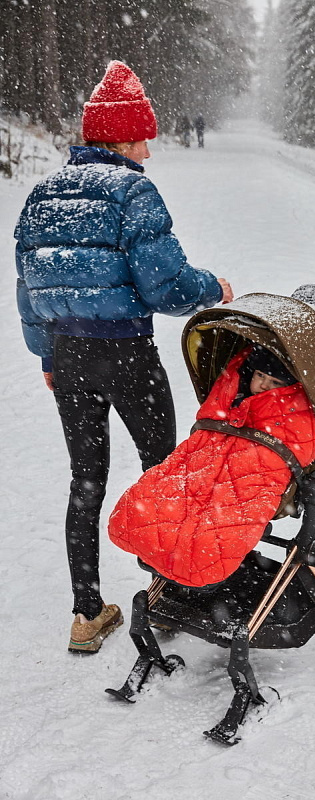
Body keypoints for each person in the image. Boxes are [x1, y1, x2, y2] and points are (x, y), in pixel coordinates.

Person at [15, 60, 234, 654]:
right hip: (127, 355)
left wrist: (47, 357)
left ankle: (87, 613)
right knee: (162, 469)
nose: (148, 152)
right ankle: (166, 594)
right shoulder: (133, 191)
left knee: (86, 480)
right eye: (142, 140)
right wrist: (213, 289)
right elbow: (166, 287)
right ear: (123, 139)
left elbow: (29, 290)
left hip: (70, 356)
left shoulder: (42, 195)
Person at [108, 344, 315, 588]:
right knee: (154, 504)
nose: (263, 385)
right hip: (204, 462)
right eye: (260, 375)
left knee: (213, 531)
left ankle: (185, 562)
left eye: (275, 382)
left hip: (253, 473)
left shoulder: (296, 415)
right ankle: (179, 561)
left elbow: (301, 443)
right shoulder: (231, 398)